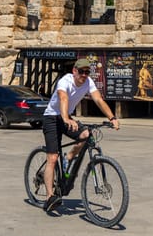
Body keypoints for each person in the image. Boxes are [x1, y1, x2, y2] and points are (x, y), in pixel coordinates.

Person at [41, 58, 120, 213]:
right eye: (81, 71)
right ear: (74, 71)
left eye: (87, 72)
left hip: (66, 117)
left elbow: (98, 99)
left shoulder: (88, 82)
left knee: (86, 134)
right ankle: (50, 196)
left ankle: (69, 157)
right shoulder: (65, 81)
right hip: (52, 117)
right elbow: (63, 98)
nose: (84, 75)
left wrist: (112, 118)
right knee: (53, 158)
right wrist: (65, 118)